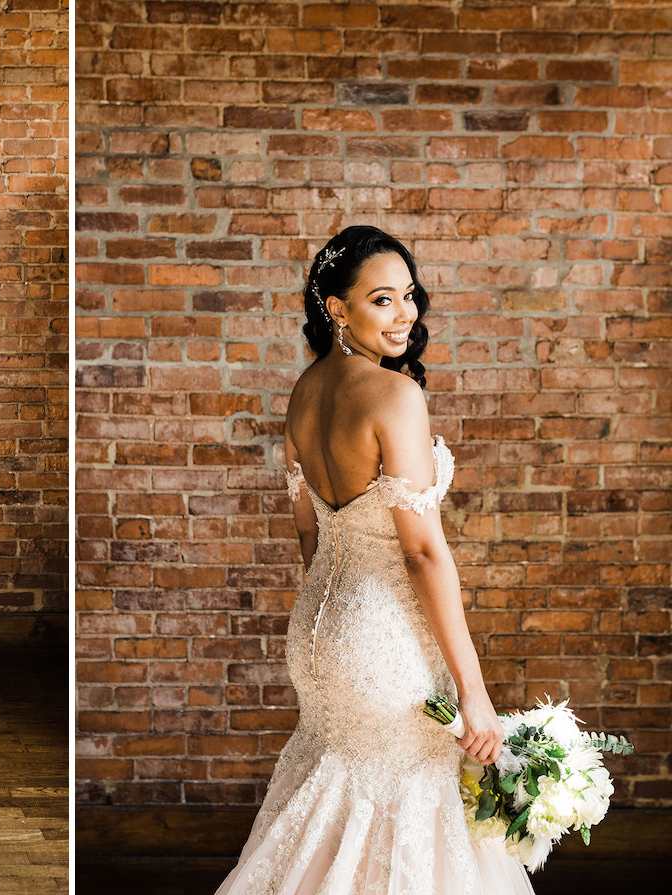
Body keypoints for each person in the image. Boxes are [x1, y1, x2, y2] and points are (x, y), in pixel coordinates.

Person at [214, 227, 533, 894]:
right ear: (337, 308)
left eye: (408, 297)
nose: (405, 314)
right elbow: (420, 550)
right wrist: (475, 693)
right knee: (404, 802)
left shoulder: (303, 393)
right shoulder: (395, 397)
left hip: (318, 634)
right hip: (385, 639)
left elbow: (309, 536)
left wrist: (336, 625)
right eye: (382, 299)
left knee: (338, 793)